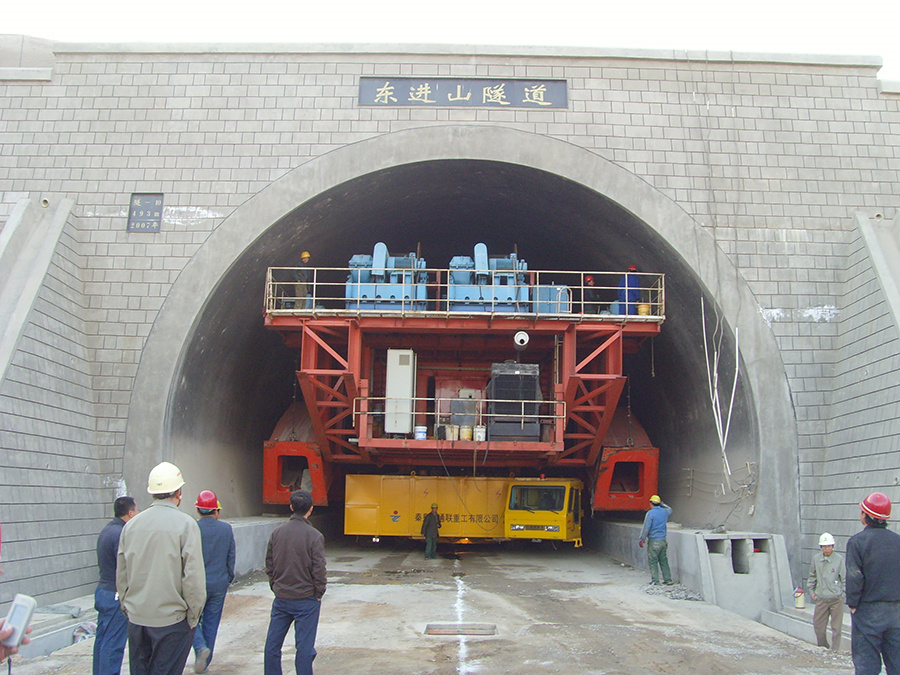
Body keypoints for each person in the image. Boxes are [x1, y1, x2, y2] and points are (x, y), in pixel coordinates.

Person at [117, 462, 206, 675]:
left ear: (152, 493)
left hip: (137, 618)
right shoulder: (186, 525)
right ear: (179, 493)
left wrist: (127, 607)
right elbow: (193, 578)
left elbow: (122, 573)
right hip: (172, 621)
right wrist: (193, 616)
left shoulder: (131, 526)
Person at [264, 489, 326, 675]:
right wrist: (319, 592)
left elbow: (269, 564)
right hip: (306, 599)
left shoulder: (277, 533)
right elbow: (319, 569)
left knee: (272, 645)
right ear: (311, 509)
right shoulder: (314, 536)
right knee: (304, 648)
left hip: (282, 598)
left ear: (291, 507)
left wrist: (275, 586)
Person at [847, 491, 900, 674]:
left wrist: (853, 604)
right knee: (897, 663)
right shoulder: (897, 541)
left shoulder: (857, 542)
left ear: (866, 515)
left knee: (867, 664)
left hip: (868, 611)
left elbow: (854, 576)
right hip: (896, 611)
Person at [93, 496, 138, 675]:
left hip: (103, 591)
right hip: (115, 594)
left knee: (102, 641)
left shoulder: (107, 530)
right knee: (113, 645)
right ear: (130, 513)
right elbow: (126, 566)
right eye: (136, 511)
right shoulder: (121, 534)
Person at [192, 490, 236, 674]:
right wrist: (227, 578)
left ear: (198, 510)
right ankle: (204, 664)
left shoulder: (192, 528)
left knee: (190, 619)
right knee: (211, 624)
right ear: (216, 511)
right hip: (218, 584)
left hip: (196, 585)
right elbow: (231, 557)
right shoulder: (226, 529)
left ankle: (200, 646)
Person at [808, 531, 845, 651]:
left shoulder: (839, 560)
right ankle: (823, 647)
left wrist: (843, 594)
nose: (827, 549)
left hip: (836, 599)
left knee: (836, 628)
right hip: (821, 598)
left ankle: (835, 650)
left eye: (829, 546)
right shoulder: (816, 559)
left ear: (833, 546)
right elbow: (812, 576)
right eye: (824, 546)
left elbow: (844, 578)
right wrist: (811, 591)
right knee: (818, 626)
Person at [638, 494, 674, 585]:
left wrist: (642, 539)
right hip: (663, 541)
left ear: (651, 503)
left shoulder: (650, 513)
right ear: (659, 503)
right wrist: (662, 503)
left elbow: (646, 528)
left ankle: (655, 581)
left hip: (654, 541)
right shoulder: (664, 512)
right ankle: (668, 579)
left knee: (653, 561)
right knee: (663, 560)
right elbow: (670, 509)